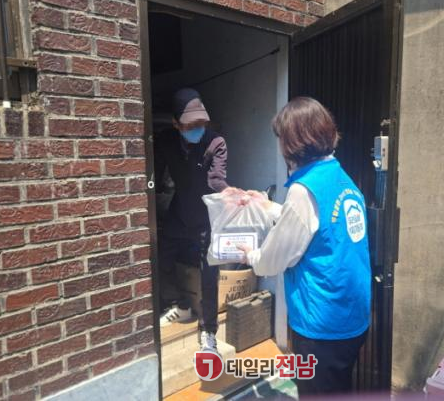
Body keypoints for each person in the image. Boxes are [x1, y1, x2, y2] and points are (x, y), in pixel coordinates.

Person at [238, 97, 372, 395]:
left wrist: (251, 256)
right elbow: (313, 226)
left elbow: (274, 259)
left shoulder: (302, 190)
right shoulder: (341, 178)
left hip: (321, 324)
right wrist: (266, 205)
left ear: (292, 142)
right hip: (352, 315)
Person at [154, 88, 228, 354]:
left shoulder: (215, 142)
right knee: (161, 255)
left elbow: (216, 180)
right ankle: (180, 304)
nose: (197, 128)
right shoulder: (166, 141)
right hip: (179, 211)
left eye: (201, 123)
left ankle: (208, 331)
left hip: (206, 215)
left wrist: (232, 195)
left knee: (209, 272)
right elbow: (155, 176)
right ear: (176, 123)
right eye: (190, 124)